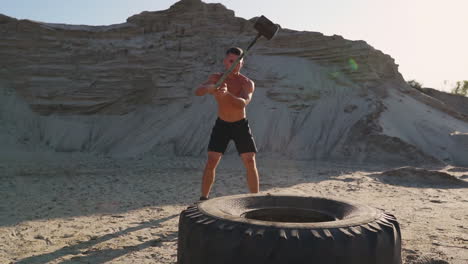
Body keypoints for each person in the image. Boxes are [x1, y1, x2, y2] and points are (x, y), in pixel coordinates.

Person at [195, 47, 259, 201]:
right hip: (222, 124)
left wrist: (227, 95)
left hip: (240, 125)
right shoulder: (217, 78)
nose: (234, 64)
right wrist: (209, 88)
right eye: (231, 61)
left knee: (250, 161)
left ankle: (256, 199)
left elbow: (242, 104)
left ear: (242, 64)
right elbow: (198, 91)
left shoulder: (247, 83)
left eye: (238, 62)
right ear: (225, 61)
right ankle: (203, 198)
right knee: (211, 160)